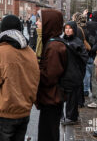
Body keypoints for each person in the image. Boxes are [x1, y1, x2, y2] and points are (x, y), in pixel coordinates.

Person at [0, 15, 40, 141]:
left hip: (4, 111)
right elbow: (35, 80)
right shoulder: (30, 52)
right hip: (24, 111)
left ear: (3, 31)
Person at [35, 9, 67, 141]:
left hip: (52, 98)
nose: (37, 23)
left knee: (48, 134)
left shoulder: (54, 47)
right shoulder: (50, 42)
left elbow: (49, 77)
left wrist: (33, 69)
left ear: (49, 23)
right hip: (50, 97)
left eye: (40, 21)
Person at [61, 21, 88, 125]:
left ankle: (71, 117)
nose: (67, 30)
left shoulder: (78, 41)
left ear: (74, 29)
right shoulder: (62, 40)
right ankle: (65, 116)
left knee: (72, 98)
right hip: (63, 74)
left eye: (69, 28)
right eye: (66, 28)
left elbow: (84, 58)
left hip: (73, 74)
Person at [84, 10, 97, 97]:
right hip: (95, 51)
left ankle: (85, 90)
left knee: (86, 72)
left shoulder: (88, 24)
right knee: (94, 73)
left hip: (87, 49)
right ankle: (92, 89)